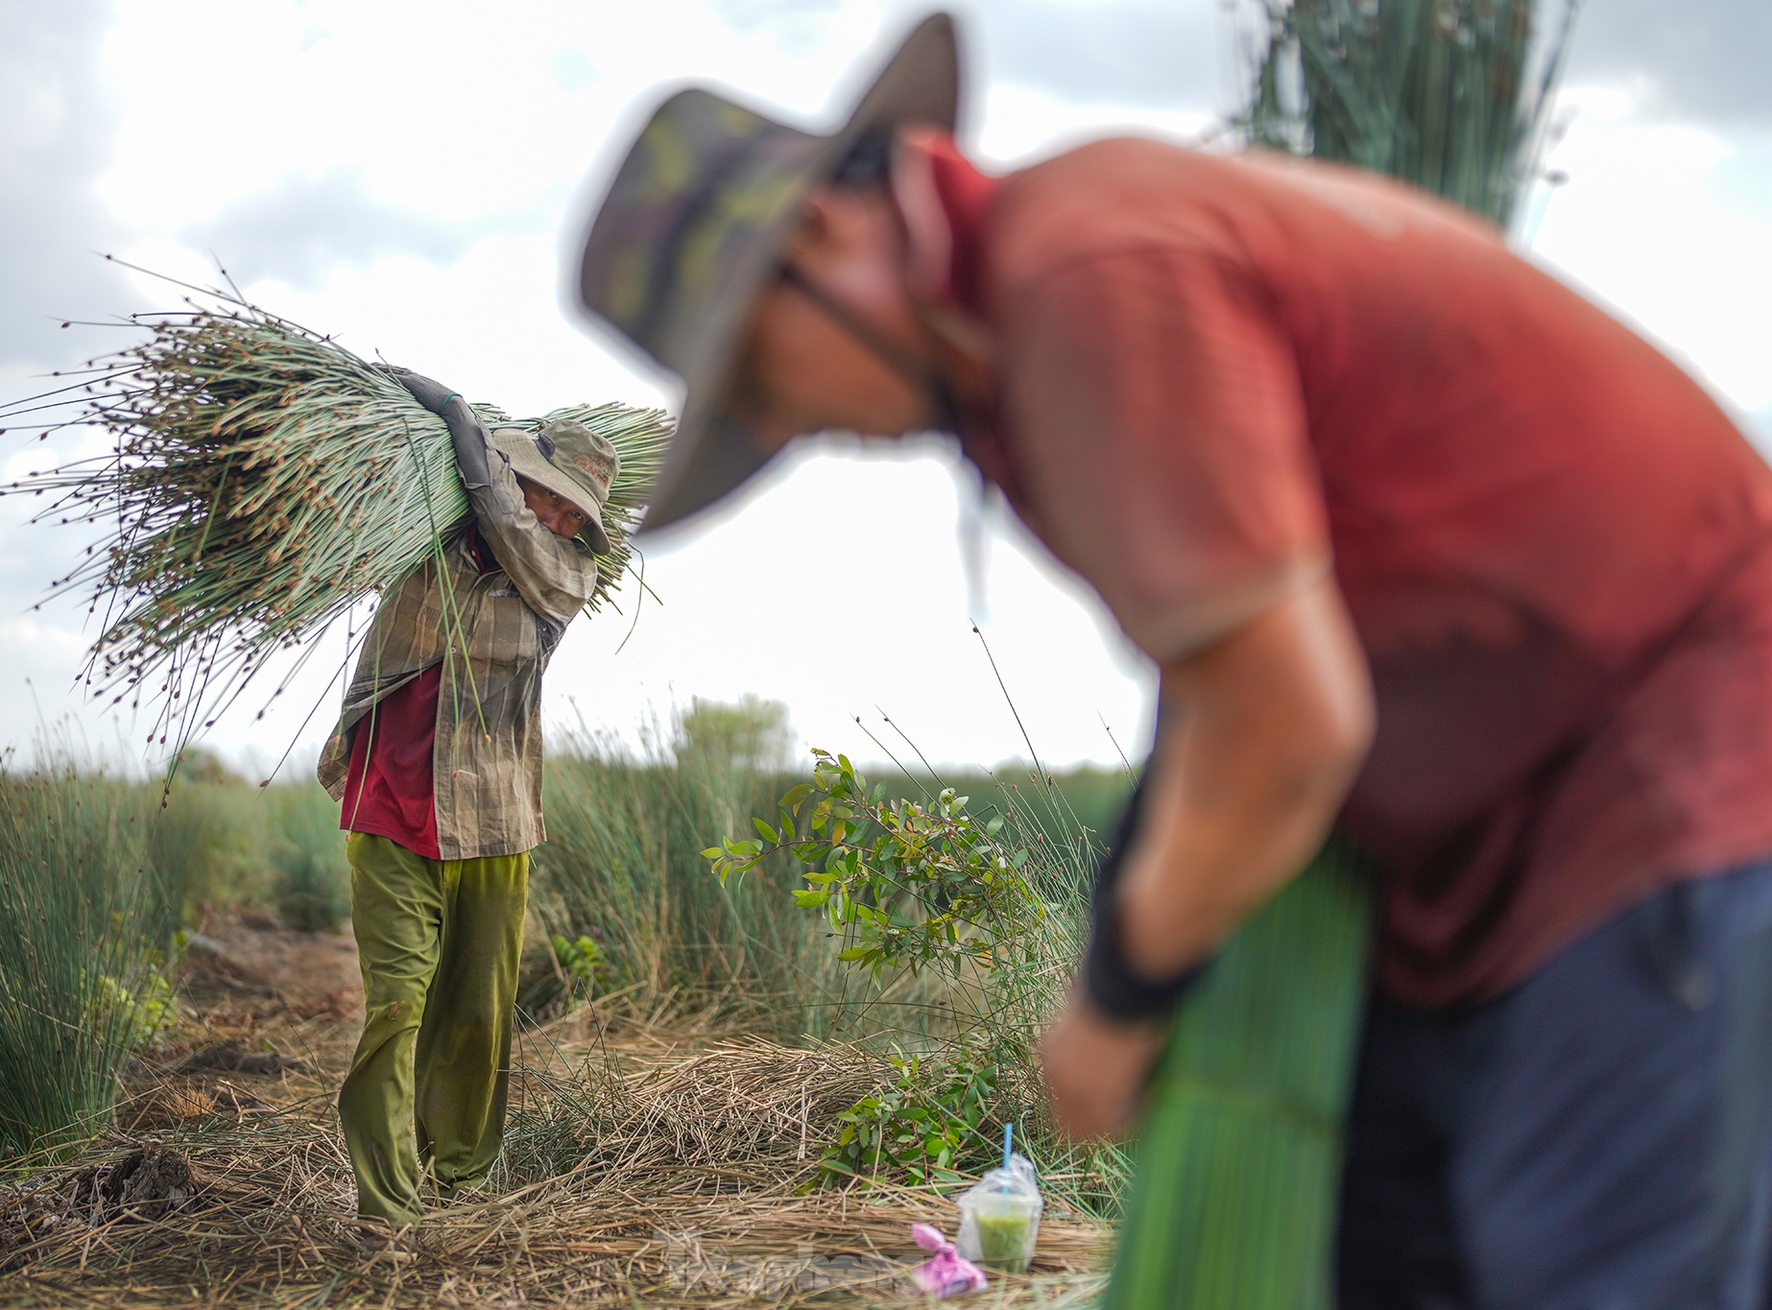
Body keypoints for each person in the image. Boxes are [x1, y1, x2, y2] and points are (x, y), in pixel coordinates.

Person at [574, 14, 1772, 1307]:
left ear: (818, 237)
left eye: (755, 379)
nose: (787, 427)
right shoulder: (1035, 322)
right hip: (1477, 832)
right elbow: (1218, 678)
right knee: (1382, 1251)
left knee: (1587, 1264)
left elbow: (1280, 717)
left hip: (1666, 769)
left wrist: (1117, 996)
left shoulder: (1090, 272)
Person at [317, 371, 617, 1236]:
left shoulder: (563, 576)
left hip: (495, 819)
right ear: (521, 474)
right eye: (549, 497)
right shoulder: (425, 535)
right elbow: (357, 531)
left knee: (477, 1015)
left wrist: (457, 417)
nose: (559, 519)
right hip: (389, 806)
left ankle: (466, 1181)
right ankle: (386, 1205)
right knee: (397, 1007)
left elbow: (516, 535)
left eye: (574, 513)